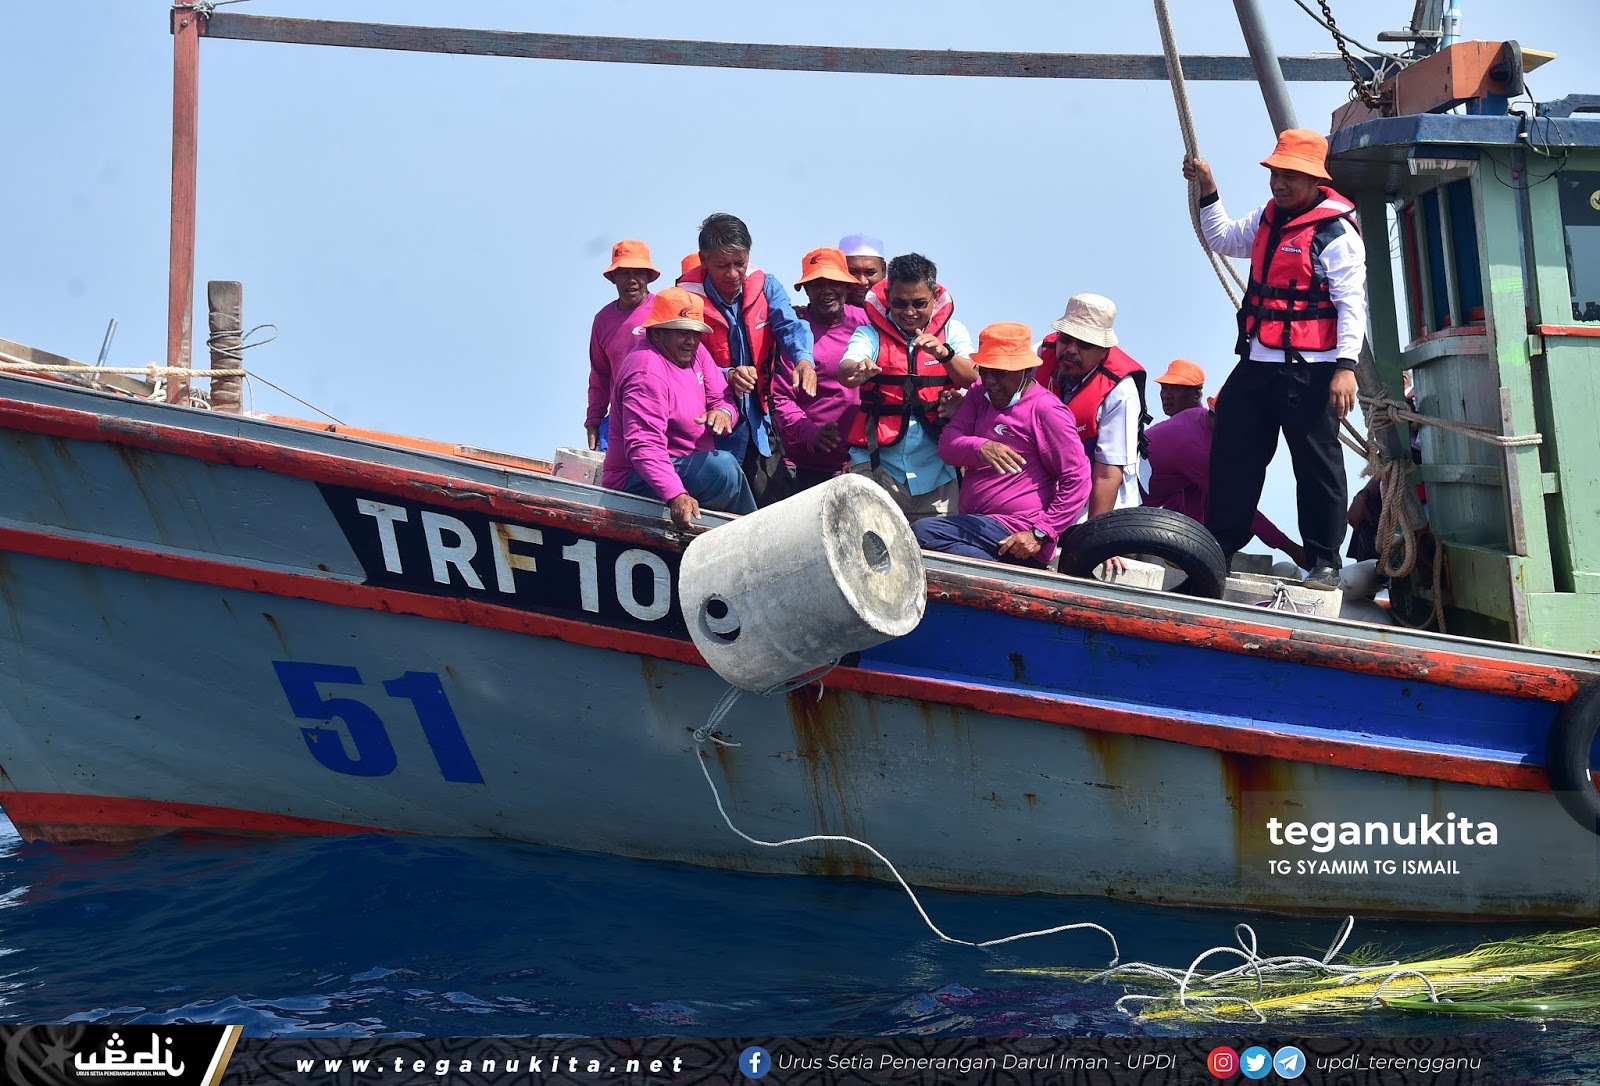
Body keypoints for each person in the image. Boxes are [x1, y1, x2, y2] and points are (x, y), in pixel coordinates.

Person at [1185, 128, 1367, 590]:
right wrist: (1208, 188)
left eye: (1290, 175)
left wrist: (1345, 367)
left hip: (1313, 369)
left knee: (1316, 465)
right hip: (1257, 363)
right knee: (1232, 456)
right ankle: (1219, 547)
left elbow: (1352, 304)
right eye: (1276, 173)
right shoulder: (1268, 217)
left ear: (1314, 179)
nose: (1279, 183)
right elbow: (1221, 238)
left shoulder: (1336, 232)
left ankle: (1325, 561)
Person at [914, 322, 1091, 566]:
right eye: (984, 370)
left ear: (1026, 370)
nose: (989, 380)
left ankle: (1021, 573)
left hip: (1019, 531)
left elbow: (1078, 479)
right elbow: (948, 446)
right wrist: (980, 447)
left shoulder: (1047, 411)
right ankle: (1010, 573)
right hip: (977, 527)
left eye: (999, 372)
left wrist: (1040, 533)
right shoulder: (979, 393)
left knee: (923, 532)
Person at [678, 213, 816, 504]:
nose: (733, 274)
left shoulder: (767, 286)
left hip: (760, 426)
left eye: (739, 264)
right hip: (709, 431)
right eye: (722, 266)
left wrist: (803, 359)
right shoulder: (684, 299)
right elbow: (680, 362)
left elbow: (789, 326)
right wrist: (726, 373)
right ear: (704, 260)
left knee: (775, 514)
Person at [838, 253, 977, 520]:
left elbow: (973, 378)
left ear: (935, 297)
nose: (910, 312)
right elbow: (846, 370)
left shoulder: (954, 332)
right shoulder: (869, 334)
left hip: (937, 472)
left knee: (937, 549)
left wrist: (945, 355)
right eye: (900, 303)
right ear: (888, 296)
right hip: (877, 465)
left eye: (919, 303)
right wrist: (859, 370)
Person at [601, 288, 755, 529]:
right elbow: (644, 446)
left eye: (695, 332)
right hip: (634, 477)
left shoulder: (696, 353)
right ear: (657, 333)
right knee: (723, 468)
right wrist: (675, 494)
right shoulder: (646, 371)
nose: (691, 340)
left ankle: (750, 532)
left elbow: (723, 398)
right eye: (682, 333)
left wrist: (724, 414)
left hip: (683, 465)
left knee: (726, 465)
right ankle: (754, 534)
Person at [1143, 398, 1308, 569]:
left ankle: (1192, 548)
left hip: (1145, 508)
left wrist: (1192, 538)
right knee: (1240, 521)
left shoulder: (1196, 416)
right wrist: (1292, 550)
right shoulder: (1200, 451)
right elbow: (1238, 505)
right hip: (1129, 513)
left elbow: (1194, 490)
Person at [1037, 293, 1149, 520]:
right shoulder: (1041, 352)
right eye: (1066, 339)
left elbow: (1107, 474)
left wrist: (1094, 537)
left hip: (1098, 503)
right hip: (1047, 489)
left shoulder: (1121, 392)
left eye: (1085, 344)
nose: (1071, 350)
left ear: (1104, 350)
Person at [769, 247, 867, 493]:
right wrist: (810, 432)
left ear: (847, 286)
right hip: (802, 467)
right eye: (816, 284)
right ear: (805, 290)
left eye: (834, 282)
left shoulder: (867, 323)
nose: (826, 290)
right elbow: (781, 398)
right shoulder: (795, 335)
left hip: (858, 465)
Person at [584, 240, 660, 451]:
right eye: (624, 273)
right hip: (620, 418)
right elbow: (600, 375)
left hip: (660, 415)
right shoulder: (603, 320)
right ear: (613, 278)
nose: (632, 280)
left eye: (639, 273)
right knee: (609, 478)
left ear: (648, 277)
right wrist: (594, 420)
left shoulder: (663, 310)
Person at [839, 233, 887, 308]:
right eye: (853, 272)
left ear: (883, 270)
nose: (862, 282)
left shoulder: (897, 313)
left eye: (870, 273)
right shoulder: (822, 315)